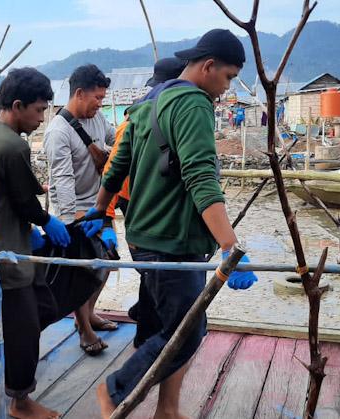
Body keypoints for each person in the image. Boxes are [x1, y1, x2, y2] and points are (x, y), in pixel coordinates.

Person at [91, 29, 258, 418]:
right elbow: (201, 178)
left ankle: (166, 408)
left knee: (157, 326)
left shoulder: (146, 105)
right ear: (209, 66)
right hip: (174, 240)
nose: (226, 87)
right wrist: (229, 246)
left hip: (143, 235)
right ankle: (114, 391)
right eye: (229, 77)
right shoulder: (194, 103)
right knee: (186, 332)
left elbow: (115, 169)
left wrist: (99, 212)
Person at [0, 67, 69, 419]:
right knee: (24, 330)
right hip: (6, 258)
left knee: (38, 311)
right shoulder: (11, 145)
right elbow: (26, 202)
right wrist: (46, 221)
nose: (41, 119)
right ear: (18, 105)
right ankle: (20, 401)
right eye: (38, 111)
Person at [102, 57, 186, 348]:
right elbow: (113, 171)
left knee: (155, 271)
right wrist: (106, 216)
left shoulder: (170, 116)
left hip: (152, 203)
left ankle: (145, 313)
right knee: (153, 268)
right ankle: (146, 338)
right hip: (134, 202)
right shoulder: (135, 121)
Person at [43, 64, 117, 356]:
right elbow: (62, 179)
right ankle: (84, 327)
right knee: (81, 273)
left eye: (102, 98)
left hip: (99, 206)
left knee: (109, 261)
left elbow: (116, 142)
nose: (100, 104)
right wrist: (73, 219)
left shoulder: (98, 119)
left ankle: (91, 312)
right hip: (72, 212)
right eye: (97, 98)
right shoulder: (58, 131)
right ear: (79, 93)